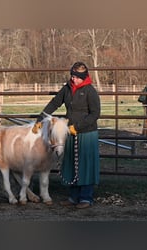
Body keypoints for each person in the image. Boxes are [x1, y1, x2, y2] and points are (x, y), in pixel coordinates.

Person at [32, 61, 101, 209]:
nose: (73, 79)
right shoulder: (67, 89)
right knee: (70, 163)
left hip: (86, 133)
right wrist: (40, 119)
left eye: (76, 77)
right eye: (72, 76)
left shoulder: (90, 91)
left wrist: (79, 126)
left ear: (84, 77)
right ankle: (73, 196)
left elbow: (95, 113)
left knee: (85, 164)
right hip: (69, 132)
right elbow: (54, 103)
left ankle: (86, 198)